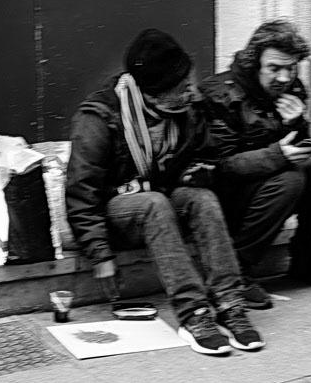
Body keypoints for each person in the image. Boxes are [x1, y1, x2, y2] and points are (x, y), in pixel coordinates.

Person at [64, 29, 264, 355]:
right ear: (154, 94)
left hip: (166, 199)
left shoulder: (186, 110)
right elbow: (81, 191)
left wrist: (202, 172)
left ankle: (230, 302)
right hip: (119, 212)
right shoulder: (99, 118)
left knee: (202, 199)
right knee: (153, 203)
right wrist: (99, 253)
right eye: (182, 88)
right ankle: (194, 314)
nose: (192, 92)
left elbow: (209, 154)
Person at [197, 19, 311, 309]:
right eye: (274, 68)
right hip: (224, 197)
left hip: (266, 190)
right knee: (291, 179)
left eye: (290, 68)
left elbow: (297, 148)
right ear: (255, 63)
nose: (283, 77)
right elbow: (222, 166)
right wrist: (278, 155)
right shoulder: (219, 94)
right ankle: (235, 272)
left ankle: (306, 258)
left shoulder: (291, 89)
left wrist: (296, 124)